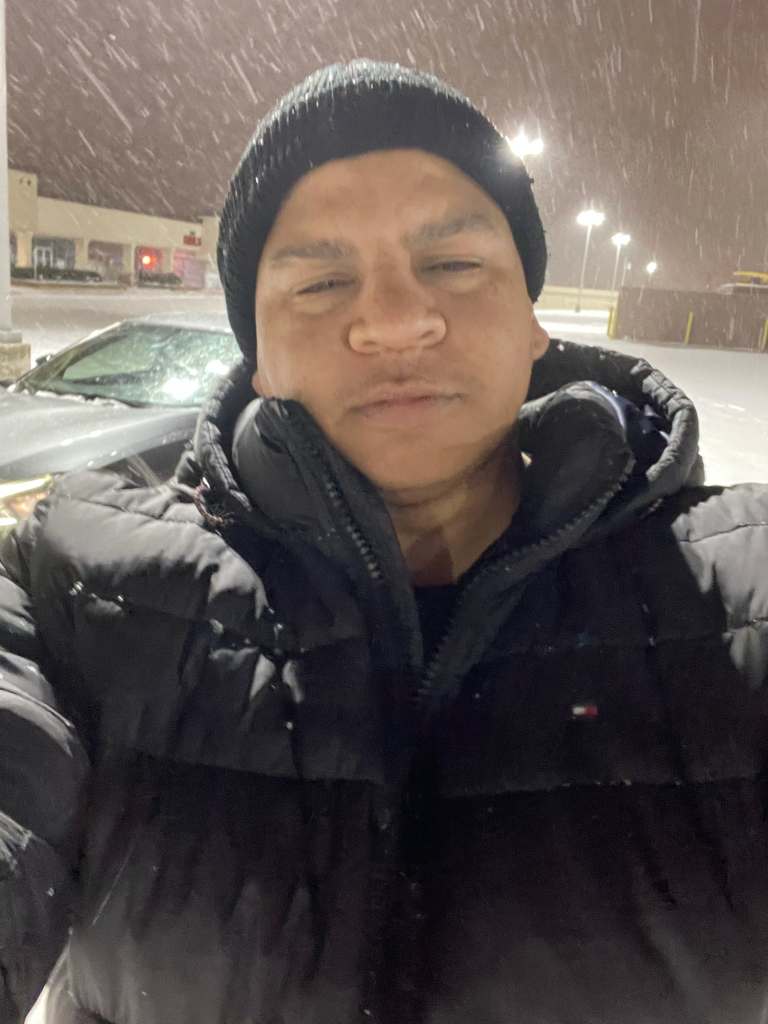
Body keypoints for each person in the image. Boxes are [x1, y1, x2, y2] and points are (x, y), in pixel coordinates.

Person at [2, 60, 767, 1024]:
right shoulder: (77, 584)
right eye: (322, 281)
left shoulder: (741, 596)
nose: (398, 322)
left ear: (533, 322)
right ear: (258, 356)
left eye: (454, 264)